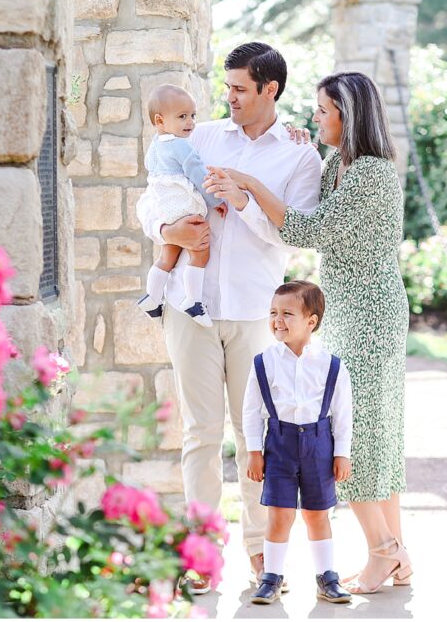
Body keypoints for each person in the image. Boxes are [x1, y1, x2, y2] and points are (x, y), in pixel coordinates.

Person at [205, 71, 412, 595]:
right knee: (375, 431)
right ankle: (397, 556)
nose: (314, 119)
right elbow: (306, 202)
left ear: (348, 114)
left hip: (370, 314)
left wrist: (250, 183)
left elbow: (305, 229)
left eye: (322, 111)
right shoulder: (336, 166)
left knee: (360, 436)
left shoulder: (369, 174)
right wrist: (299, 141)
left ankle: (383, 552)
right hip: (351, 309)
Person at [136, 42, 323, 593]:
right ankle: (200, 554)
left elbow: (293, 234)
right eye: (228, 87)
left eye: (240, 88)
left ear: (271, 90)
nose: (229, 97)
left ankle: (264, 555)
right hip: (187, 307)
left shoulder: (299, 156)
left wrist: (243, 200)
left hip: (254, 312)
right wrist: (165, 232)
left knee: (256, 436)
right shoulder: (204, 135)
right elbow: (154, 196)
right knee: (199, 432)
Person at [243, 280, 354, 605]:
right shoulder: (264, 362)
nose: (278, 320)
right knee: (279, 514)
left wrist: (341, 454)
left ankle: (327, 576)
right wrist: (253, 452)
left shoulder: (331, 365)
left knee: (317, 514)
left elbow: (343, 414)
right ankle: (272, 577)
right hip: (279, 444)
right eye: (273, 312)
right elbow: (251, 411)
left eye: (287, 313)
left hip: (319, 444)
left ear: (311, 321)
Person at [135, 84, 227, 328]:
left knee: (168, 255)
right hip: (185, 207)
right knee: (200, 251)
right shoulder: (182, 146)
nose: (191, 122)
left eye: (193, 115)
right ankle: (193, 301)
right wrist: (215, 201)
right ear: (160, 120)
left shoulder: (155, 145)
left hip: (166, 209)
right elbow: (198, 175)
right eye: (182, 116)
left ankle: (152, 297)